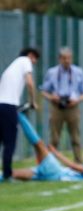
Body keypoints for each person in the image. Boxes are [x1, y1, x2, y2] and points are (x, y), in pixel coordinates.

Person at [4, 110, 83, 182]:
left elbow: (73, 166)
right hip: (52, 174)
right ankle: (19, 115)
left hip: (55, 172)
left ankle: (19, 115)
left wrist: (56, 153)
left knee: (39, 145)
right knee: (11, 173)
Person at [41, 47, 83, 163]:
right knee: (54, 138)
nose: (66, 61)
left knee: (75, 137)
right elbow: (43, 91)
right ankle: (50, 163)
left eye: (69, 58)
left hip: (73, 107)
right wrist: (52, 97)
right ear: (59, 59)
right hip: (56, 107)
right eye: (64, 58)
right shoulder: (52, 72)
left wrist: (77, 100)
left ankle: (78, 162)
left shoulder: (78, 72)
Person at [0, 47, 39, 182]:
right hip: (8, 106)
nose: (34, 63)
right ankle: (7, 174)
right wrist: (32, 101)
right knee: (9, 142)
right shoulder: (25, 61)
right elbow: (29, 82)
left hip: (1, 104)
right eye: (35, 59)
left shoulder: (12, 66)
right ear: (31, 55)